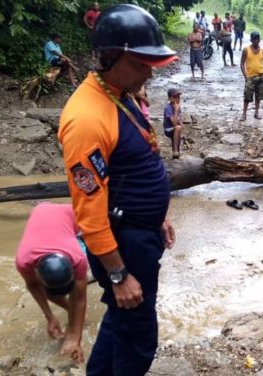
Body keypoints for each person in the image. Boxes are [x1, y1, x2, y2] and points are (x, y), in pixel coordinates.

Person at [58, 5, 177, 375]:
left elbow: (138, 163)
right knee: (138, 339)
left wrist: (159, 215)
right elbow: (89, 212)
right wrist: (118, 275)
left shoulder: (118, 92)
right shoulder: (87, 119)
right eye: (140, 63)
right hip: (121, 245)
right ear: (109, 57)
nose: (148, 72)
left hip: (138, 232)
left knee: (120, 322)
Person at [16, 202, 89, 364]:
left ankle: (72, 314)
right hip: (40, 210)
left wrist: (74, 336)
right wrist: (50, 316)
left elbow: (80, 298)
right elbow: (33, 285)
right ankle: (69, 310)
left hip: (73, 214)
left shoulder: (77, 258)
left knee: (90, 248)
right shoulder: (23, 260)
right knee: (51, 292)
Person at [239, 31, 263, 121]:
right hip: (250, 77)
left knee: (258, 96)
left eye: (257, 39)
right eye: (254, 39)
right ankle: (244, 114)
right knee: (247, 96)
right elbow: (241, 63)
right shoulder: (246, 50)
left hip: (260, 76)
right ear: (251, 40)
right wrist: (245, 76)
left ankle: (256, 112)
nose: (256, 41)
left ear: (259, 39)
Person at [163, 88, 183, 159]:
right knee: (177, 128)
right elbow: (174, 123)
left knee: (178, 132)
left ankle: (176, 153)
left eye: (178, 96)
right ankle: (175, 151)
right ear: (169, 98)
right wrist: (176, 110)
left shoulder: (177, 106)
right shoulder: (168, 108)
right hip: (168, 128)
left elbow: (179, 120)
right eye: (174, 97)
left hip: (175, 128)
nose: (177, 99)